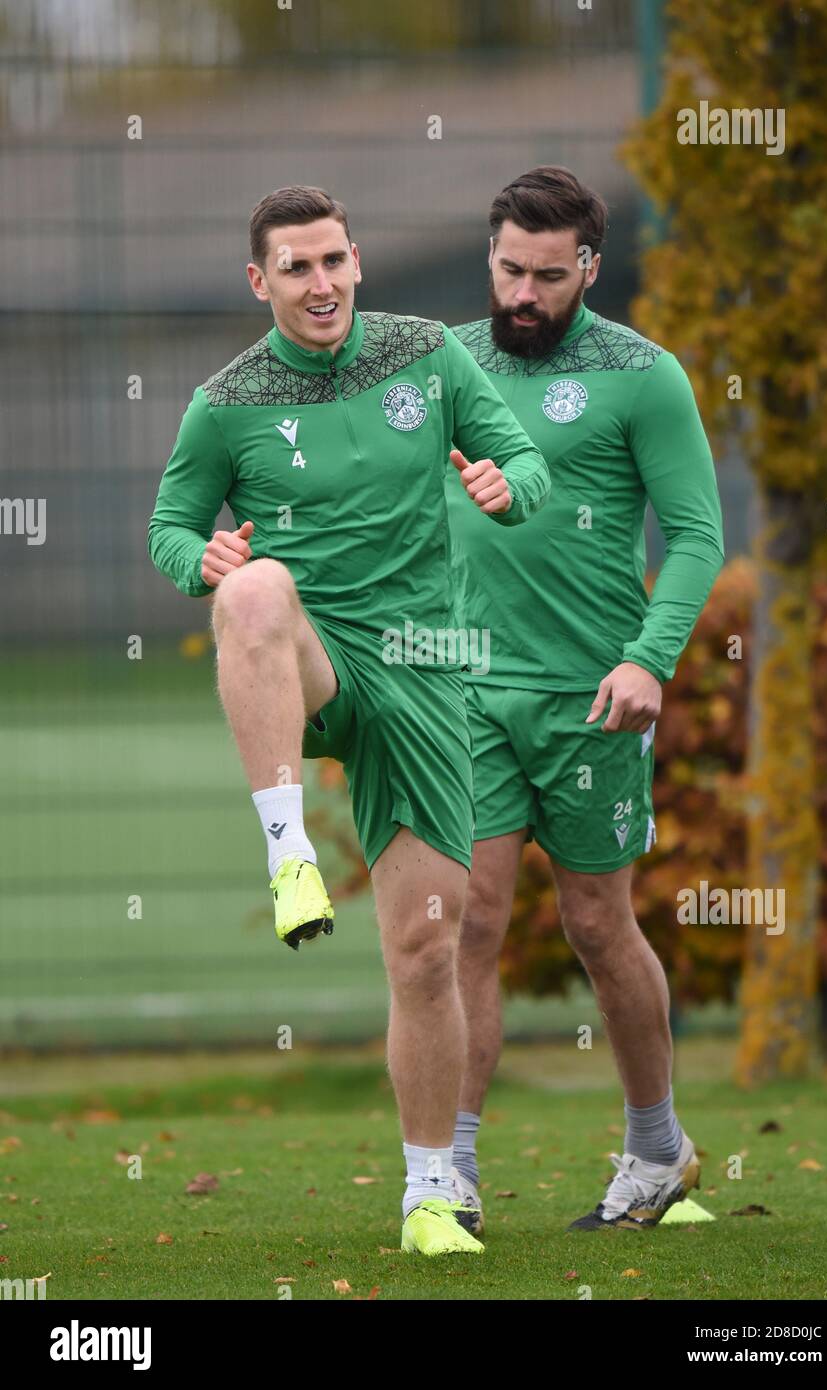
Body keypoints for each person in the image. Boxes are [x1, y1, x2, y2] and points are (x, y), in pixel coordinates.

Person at [147, 185, 550, 1256]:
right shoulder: (223, 402)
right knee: (252, 590)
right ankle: (287, 853)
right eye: (294, 267)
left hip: (423, 667)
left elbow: (527, 455)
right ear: (258, 280)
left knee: (427, 947)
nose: (318, 284)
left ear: (357, 261)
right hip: (314, 665)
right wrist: (203, 558)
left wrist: (510, 482)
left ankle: (429, 1194)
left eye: (332, 261)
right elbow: (170, 529)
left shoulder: (427, 353)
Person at [444, 166, 724, 1234]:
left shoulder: (643, 375)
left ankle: (654, 1149)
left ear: (589, 270)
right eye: (508, 269)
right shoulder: (445, 364)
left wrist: (648, 659)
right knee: (467, 921)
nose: (522, 293)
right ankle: (451, 1177)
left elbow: (695, 535)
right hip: (463, 690)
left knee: (599, 925)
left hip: (591, 698)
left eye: (547, 277)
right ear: (490, 255)